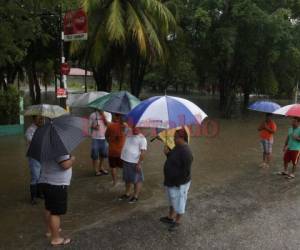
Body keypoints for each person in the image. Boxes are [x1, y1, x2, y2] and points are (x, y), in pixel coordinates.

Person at [160, 128, 193, 232]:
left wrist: (179, 183)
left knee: (180, 203)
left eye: (175, 137)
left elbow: (186, 171)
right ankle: (170, 217)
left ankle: (177, 221)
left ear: (182, 138)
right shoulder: (177, 147)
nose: (173, 139)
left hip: (179, 184)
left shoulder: (186, 152)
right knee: (172, 201)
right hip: (171, 181)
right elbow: (173, 159)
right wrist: (167, 154)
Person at [39, 154, 75, 246]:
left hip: (45, 181)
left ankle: (49, 231)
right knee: (56, 213)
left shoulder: (45, 147)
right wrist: (72, 159)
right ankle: (56, 239)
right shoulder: (59, 148)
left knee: (49, 208)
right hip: (57, 184)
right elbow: (65, 165)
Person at [119, 126, 147, 203]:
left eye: (137, 128)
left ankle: (135, 196)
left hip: (134, 162)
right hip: (126, 160)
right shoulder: (128, 133)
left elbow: (143, 153)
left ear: (140, 128)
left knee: (137, 180)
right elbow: (122, 126)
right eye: (133, 128)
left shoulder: (142, 139)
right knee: (127, 179)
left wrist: (139, 163)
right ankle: (127, 193)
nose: (135, 129)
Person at [25, 115, 43, 204]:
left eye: (42, 118)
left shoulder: (42, 129)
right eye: (39, 118)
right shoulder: (30, 130)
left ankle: (39, 194)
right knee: (35, 176)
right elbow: (30, 141)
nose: (41, 120)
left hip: (41, 155)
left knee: (41, 175)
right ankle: (33, 197)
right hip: (33, 155)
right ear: (34, 119)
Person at [89, 109, 112, 176]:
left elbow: (108, 125)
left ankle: (100, 167)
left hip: (105, 138)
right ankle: (96, 170)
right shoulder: (93, 115)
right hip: (95, 138)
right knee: (95, 155)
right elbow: (89, 125)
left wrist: (103, 115)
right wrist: (94, 127)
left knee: (103, 154)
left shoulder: (108, 114)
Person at [105, 113, 126, 186]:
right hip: (121, 151)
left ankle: (115, 182)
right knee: (123, 167)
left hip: (112, 151)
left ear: (115, 116)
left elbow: (106, 136)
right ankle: (125, 181)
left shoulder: (110, 126)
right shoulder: (124, 126)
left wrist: (109, 142)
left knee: (113, 167)